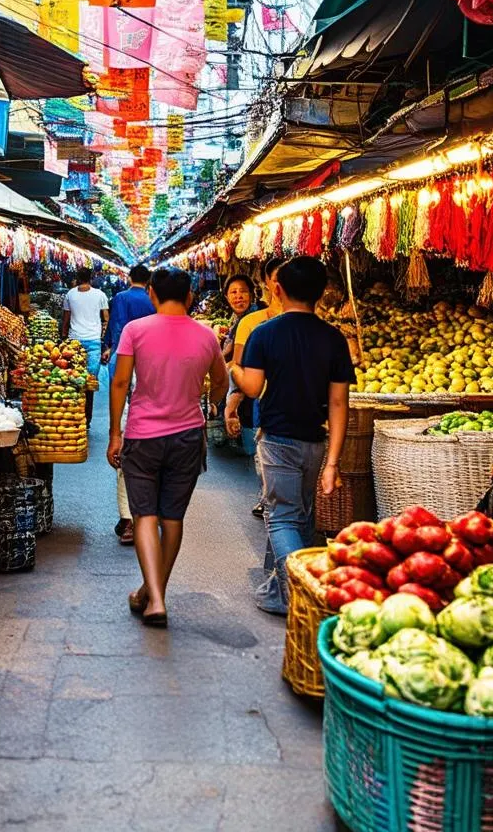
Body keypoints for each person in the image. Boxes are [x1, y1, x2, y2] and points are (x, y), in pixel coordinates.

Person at [229, 256, 355, 616]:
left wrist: (235, 369)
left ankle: (300, 596)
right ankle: (276, 586)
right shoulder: (333, 338)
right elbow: (338, 403)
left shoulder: (264, 333)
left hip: (278, 439)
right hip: (315, 442)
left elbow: (252, 388)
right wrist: (333, 462)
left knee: (283, 517)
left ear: (278, 289)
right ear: (322, 293)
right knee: (300, 517)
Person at [107, 267, 227, 627]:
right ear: (190, 297)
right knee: (172, 518)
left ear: (152, 296)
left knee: (144, 515)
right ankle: (152, 592)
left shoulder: (135, 330)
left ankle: (154, 597)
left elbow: (120, 382)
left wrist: (116, 433)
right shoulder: (206, 335)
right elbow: (221, 381)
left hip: (143, 434)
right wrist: (207, 404)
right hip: (188, 435)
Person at [101, 265, 156, 546]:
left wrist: (108, 346)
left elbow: (115, 326)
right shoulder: (152, 301)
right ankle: (137, 518)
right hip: (150, 368)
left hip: (123, 360)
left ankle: (130, 518)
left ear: (129, 278)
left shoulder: (121, 298)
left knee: (129, 456)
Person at [225, 258, 284, 512]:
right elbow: (239, 367)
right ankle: (270, 500)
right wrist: (232, 404)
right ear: (268, 283)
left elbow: (237, 368)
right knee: (269, 463)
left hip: (307, 410)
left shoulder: (323, 325)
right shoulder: (251, 323)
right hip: (268, 403)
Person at [62, 267, 109, 428]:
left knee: (72, 379)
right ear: (92, 278)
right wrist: (103, 338)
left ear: (76, 277)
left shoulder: (70, 294)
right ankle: (86, 418)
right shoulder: (100, 295)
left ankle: (74, 415)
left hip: (74, 340)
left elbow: (66, 319)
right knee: (89, 382)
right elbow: (106, 319)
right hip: (94, 341)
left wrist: (63, 337)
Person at [220, 275, 262, 363]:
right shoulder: (236, 318)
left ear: (251, 295)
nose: (238, 296)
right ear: (227, 298)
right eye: (233, 292)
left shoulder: (257, 319)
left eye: (243, 291)